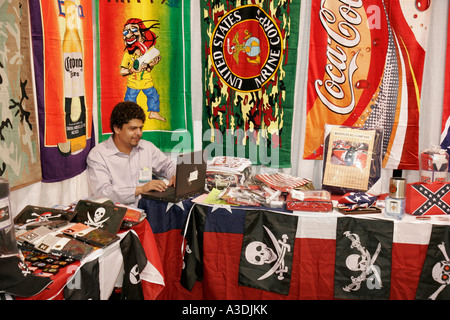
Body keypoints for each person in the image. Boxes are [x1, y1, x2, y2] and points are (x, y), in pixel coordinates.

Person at [87, 101, 176, 205]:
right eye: (133, 128)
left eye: (141, 128)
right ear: (117, 128)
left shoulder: (147, 147)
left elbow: (167, 166)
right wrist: (140, 189)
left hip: (150, 211)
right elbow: (104, 193)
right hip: (119, 216)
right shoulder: (98, 155)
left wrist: (174, 175)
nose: (139, 133)